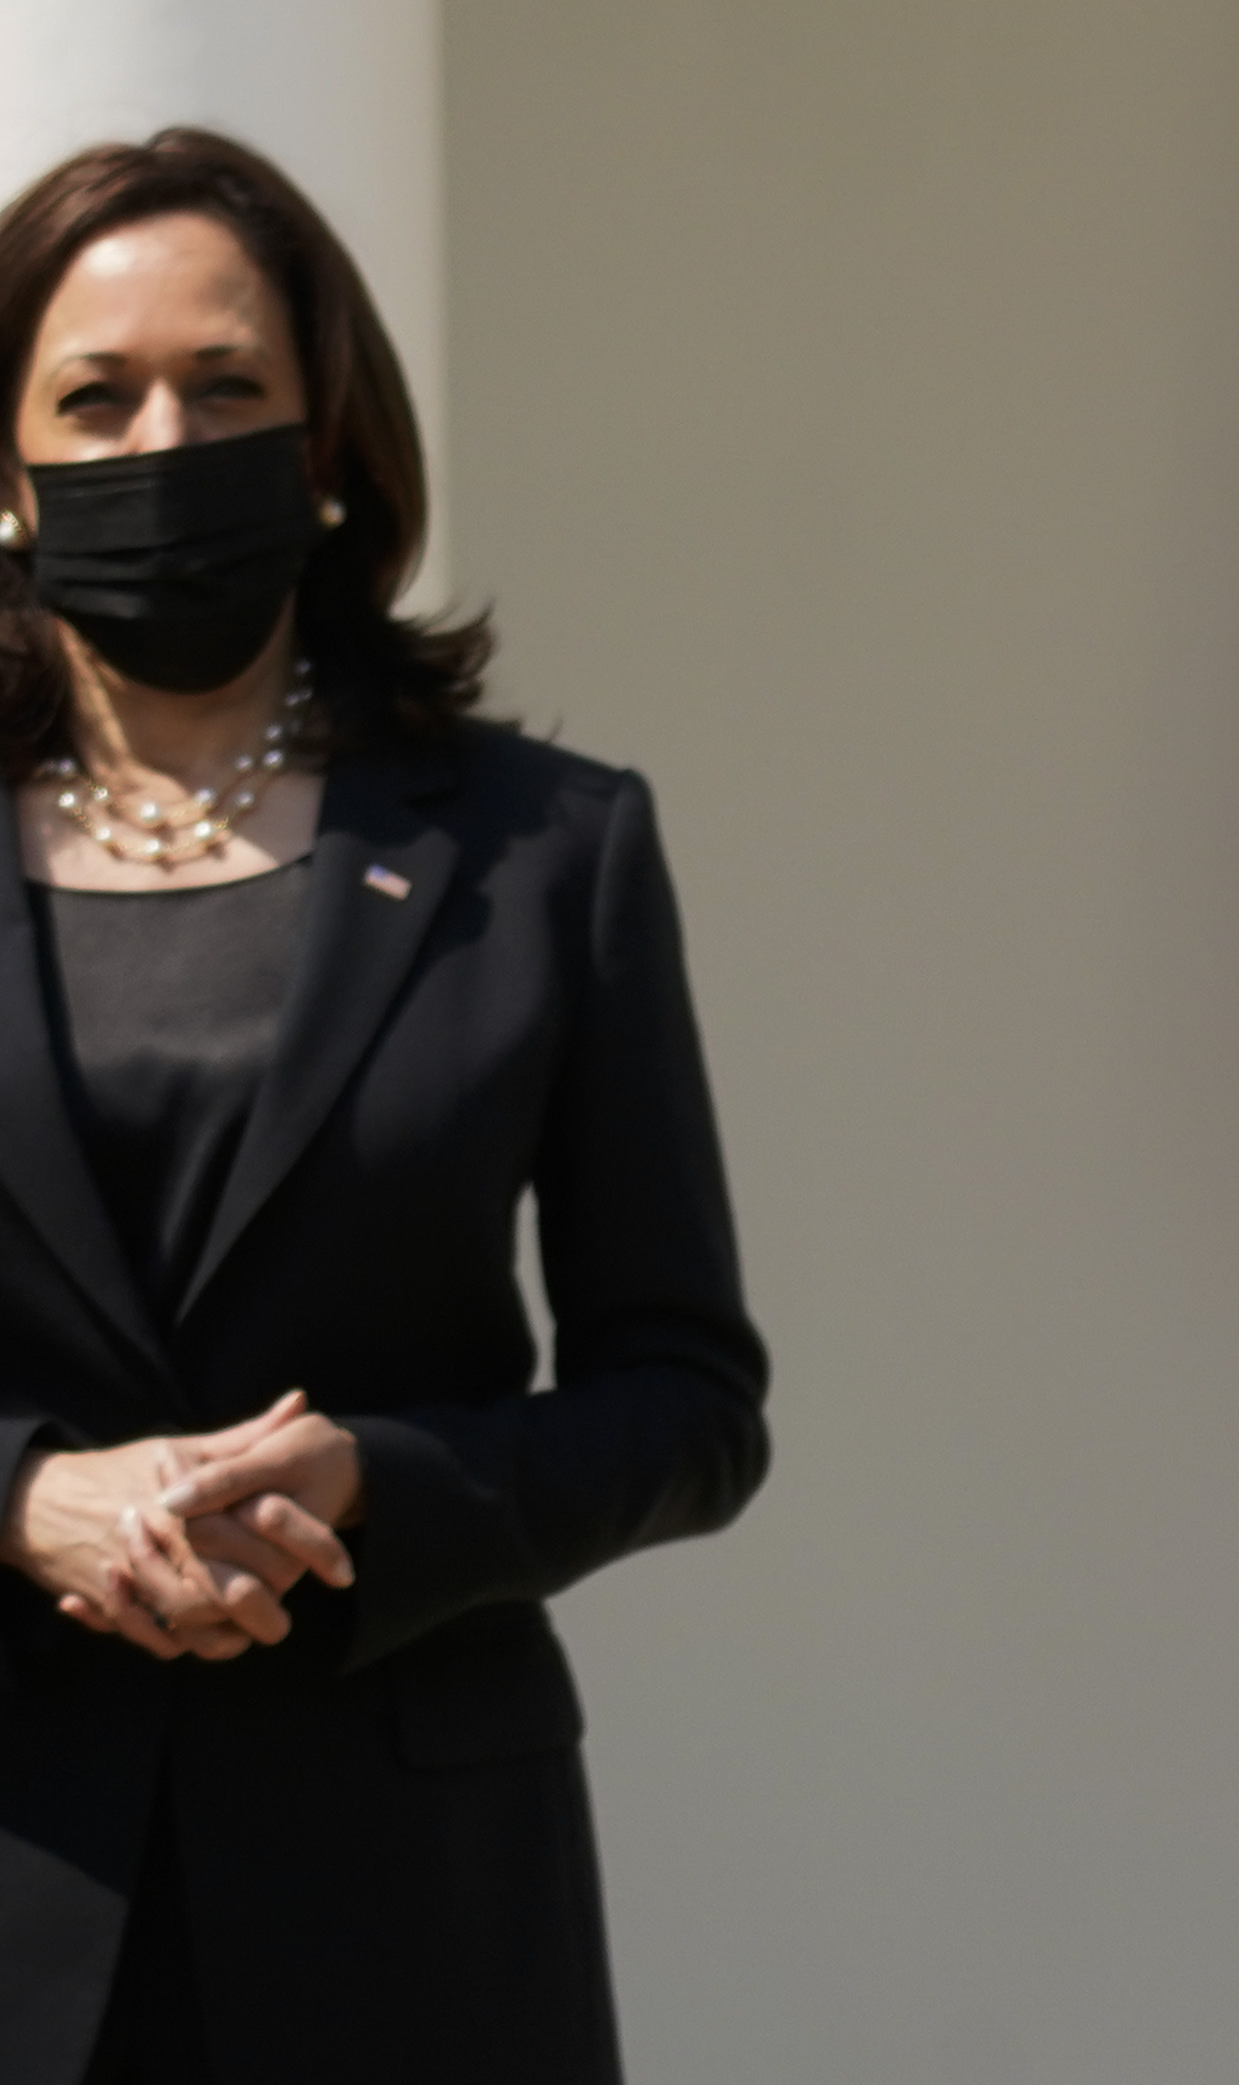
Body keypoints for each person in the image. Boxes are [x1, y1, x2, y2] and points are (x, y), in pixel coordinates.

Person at [0, 132, 765, 2082]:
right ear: (8, 476)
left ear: (329, 443)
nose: (164, 433)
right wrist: (26, 1492)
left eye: (228, 384)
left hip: (409, 1907)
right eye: (96, 393)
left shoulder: (546, 850)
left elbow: (688, 1399)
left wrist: (384, 1486)